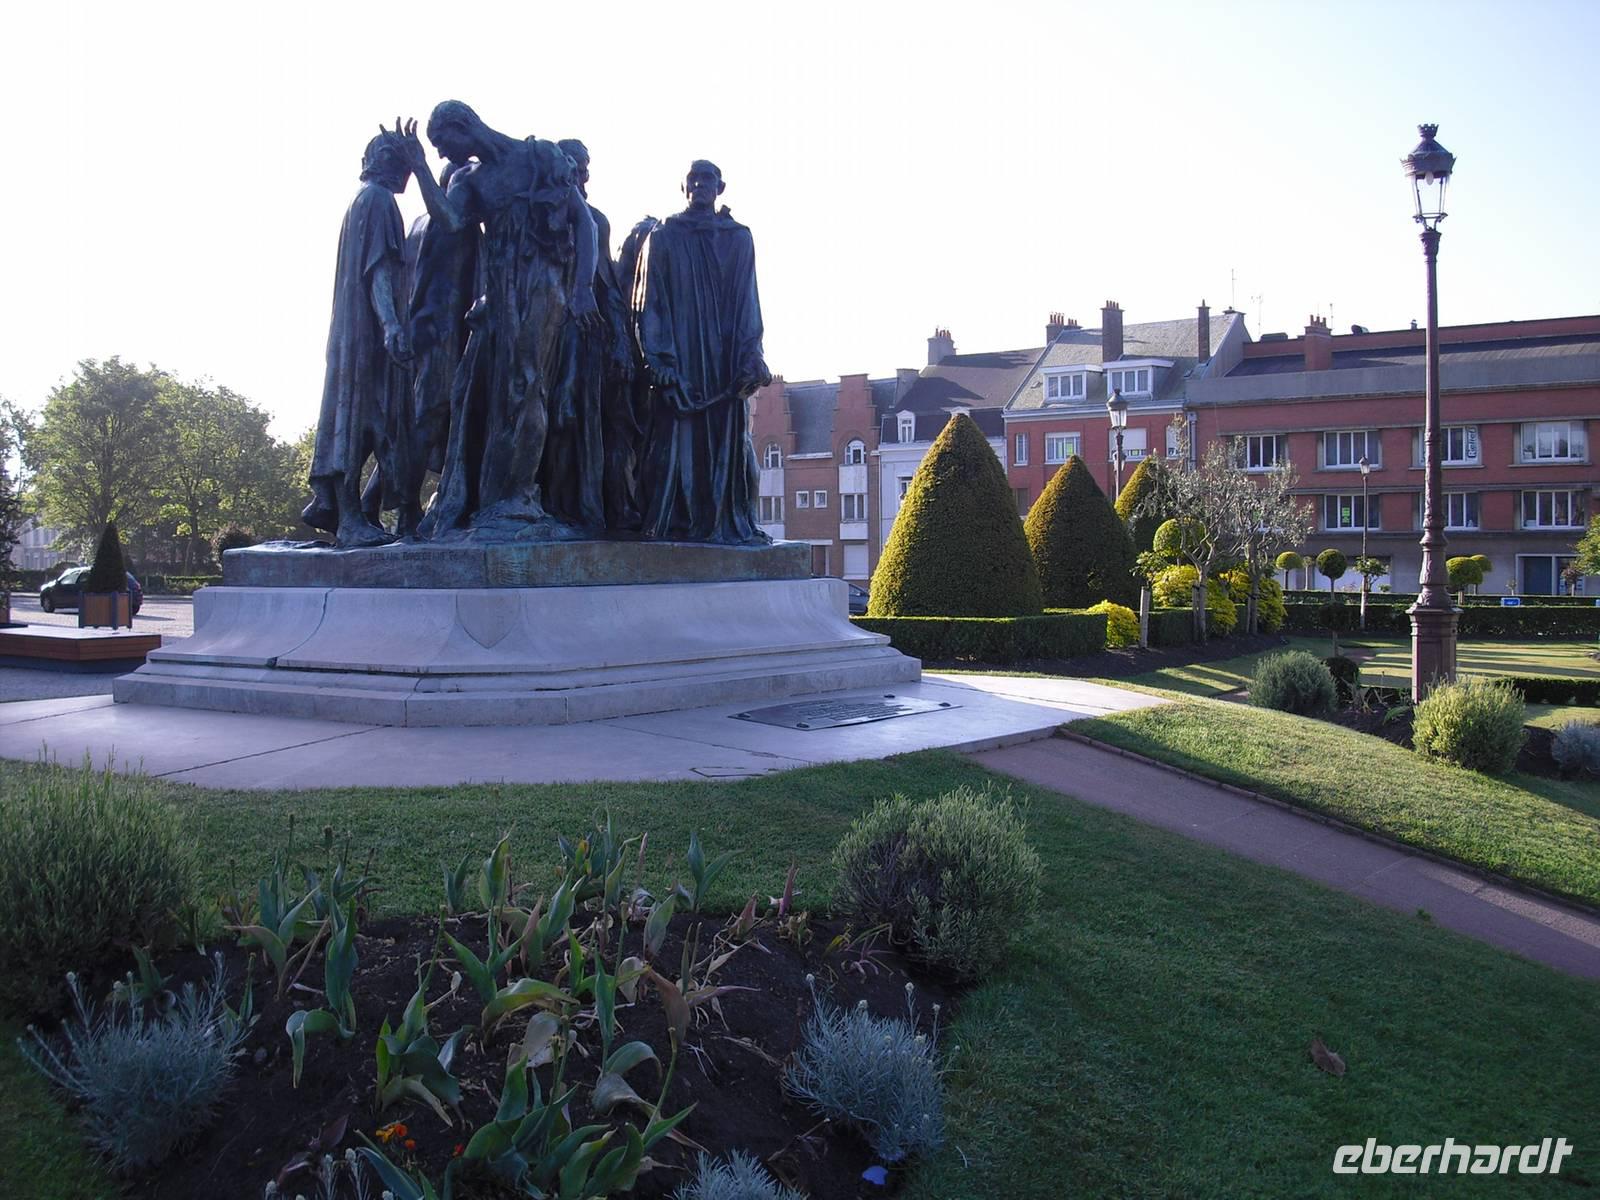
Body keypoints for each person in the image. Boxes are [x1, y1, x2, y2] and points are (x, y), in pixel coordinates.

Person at [405, 101, 599, 540]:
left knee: (523, 387)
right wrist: (419, 169)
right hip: (497, 295)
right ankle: (478, 497)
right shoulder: (471, 180)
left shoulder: (540, 156)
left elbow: (582, 223)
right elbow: (450, 220)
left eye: (441, 143)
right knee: (472, 389)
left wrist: (582, 288)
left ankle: (517, 497)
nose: (441, 153)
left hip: (539, 287)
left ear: (463, 126)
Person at [635, 161, 770, 544]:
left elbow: (748, 300)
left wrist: (751, 354)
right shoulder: (665, 235)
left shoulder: (738, 238)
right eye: (692, 180)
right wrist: (658, 360)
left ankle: (723, 523)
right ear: (683, 188)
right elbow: (649, 302)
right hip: (680, 358)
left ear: (720, 187)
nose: (699, 185)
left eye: (706, 179)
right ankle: (673, 524)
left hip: (724, 362)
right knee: (672, 446)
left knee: (727, 445)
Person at [303, 122, 415, 547]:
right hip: (365, 331)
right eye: (404, 163)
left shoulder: (361, 200)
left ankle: (345, 508)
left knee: (371, 420)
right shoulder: (379, 200)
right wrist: (391, 324)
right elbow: (379, 269)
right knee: (360, 416)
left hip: (354, 327)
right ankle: (349, 516)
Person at [540, 139, 628, 532]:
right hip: (539, 332)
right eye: (570, 166)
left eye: (582, 167)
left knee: (569, 419)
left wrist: (621, 341)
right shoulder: (537, 215)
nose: (577, 174)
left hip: (580, 335)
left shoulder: (594, 221)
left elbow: (608, 286)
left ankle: (571, 509)